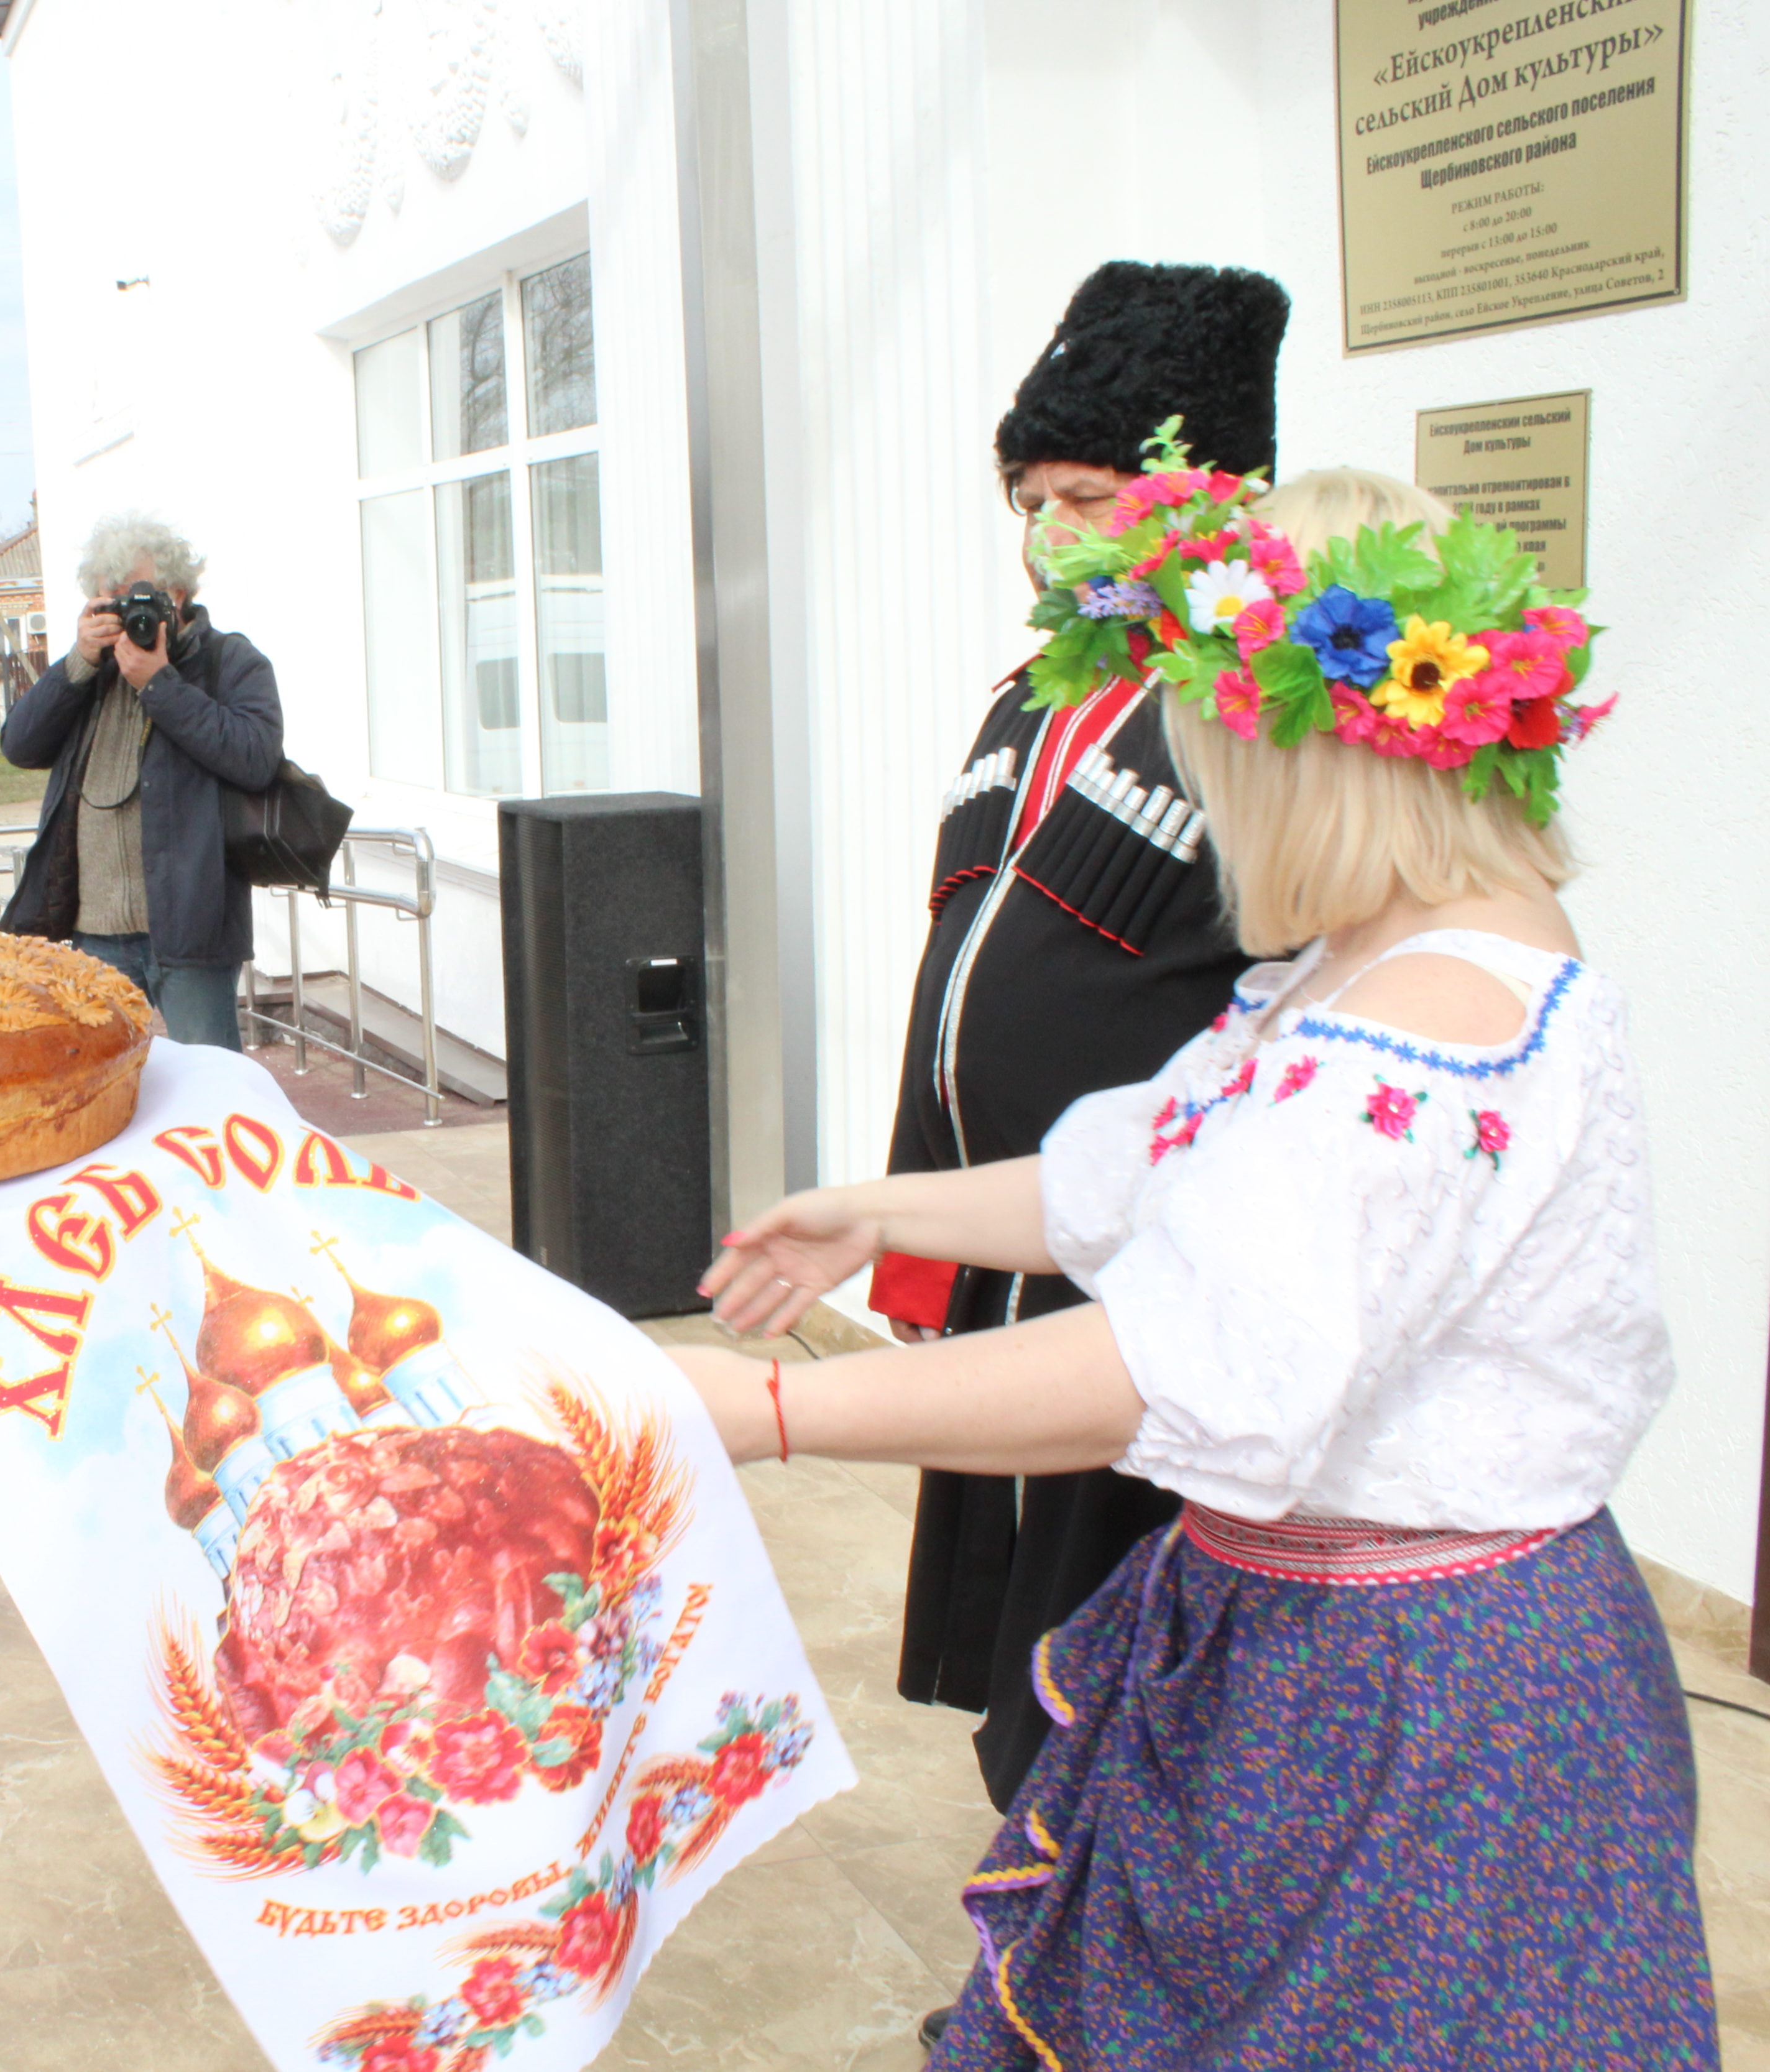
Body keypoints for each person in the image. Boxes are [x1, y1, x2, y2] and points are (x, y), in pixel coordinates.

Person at [677, 463, 1711, 2063]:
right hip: (1310, 1641)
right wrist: (884, 1211)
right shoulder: (1367, 963)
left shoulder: (1439, 1017)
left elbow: (1170, 1359)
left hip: (1421, 1705)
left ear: (1309, 759)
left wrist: (766, 1412)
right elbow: (1146, 1168)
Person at [873, 263, 1289, 1869]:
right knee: (1019, 1632)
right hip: (1009, 1244)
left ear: (1203, 495)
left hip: (1147, 1270)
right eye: (1032, 500)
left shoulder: (1263, 710)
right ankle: (1053, 1885)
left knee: (1114, 1633)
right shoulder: (1037, 694)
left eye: (1091, 496)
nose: (1054, 533)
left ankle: (1097, 1930)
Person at [0, 513, 280, 1048]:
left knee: (210, 1083)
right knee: (108, 1083)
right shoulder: (92, 671)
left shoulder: (228, 661)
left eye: (139, 595)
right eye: (113, 599)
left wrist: (160, 685)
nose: (129, 613)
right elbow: (19, 745)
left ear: (177, 593)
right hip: (96, 933)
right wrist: (79, 662)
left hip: (191, 932)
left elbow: (256, 757)